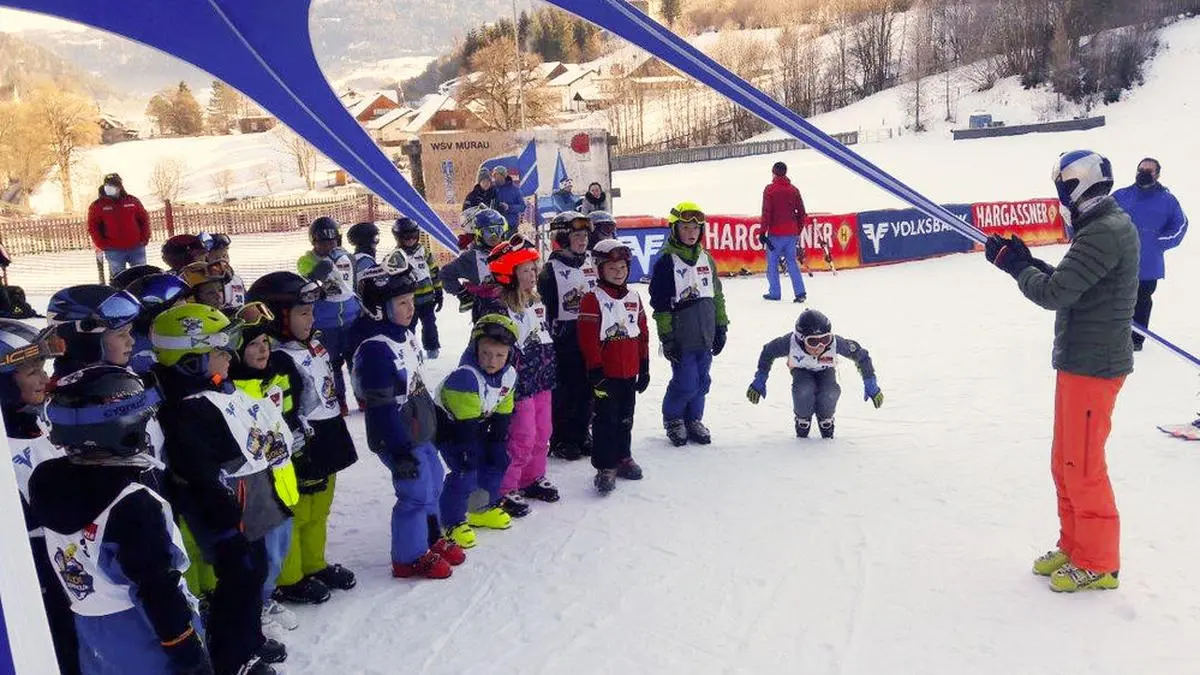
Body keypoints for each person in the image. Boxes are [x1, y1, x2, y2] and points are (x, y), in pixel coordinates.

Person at [984, 149, 1138, 593]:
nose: (1060, 197)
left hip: (1094, 364)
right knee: (1065, 461)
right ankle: (1075, 546)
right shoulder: (1101, 227)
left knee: (1084, 465)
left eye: (1062, 188)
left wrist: (1015, 268)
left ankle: (1099, 562)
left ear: (1077, 186)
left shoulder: (1104, 232)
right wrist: (1025, 260)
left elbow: (1054, 293)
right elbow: (1073, 282)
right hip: (1079, 361)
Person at [30, 365, 215, 675]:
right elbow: (156, 587)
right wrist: (185, 649)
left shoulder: (46, 481)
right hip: (144, 632)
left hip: (91, 626)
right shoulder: (132, 503)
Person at [151, 303, 291, 673]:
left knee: (254, 571)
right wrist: (225, 518)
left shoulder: (216, 392)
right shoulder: (186, 410)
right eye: (218, 351)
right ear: (190, 360)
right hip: (225, 515)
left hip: (246, 504)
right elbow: (198, 473)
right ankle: (232, 659)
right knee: (239, 580)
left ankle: (251, 638)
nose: (229, 355)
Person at [248, 271, 359, 604]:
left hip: (326, 432)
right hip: (301, 443)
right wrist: (296, 438)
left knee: (320, 509)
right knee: (298, 513)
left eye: (311, 312)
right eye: (302, 313)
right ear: (278, 316)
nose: (311, 319)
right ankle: (290, 576)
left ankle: (313, 564)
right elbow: (281, 407)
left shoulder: (312, 343)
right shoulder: (279, 358)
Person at [353, 257, 466, 580]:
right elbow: (380, 406)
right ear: (378, 308)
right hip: (397, 433)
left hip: (420, 427)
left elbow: (416, 383)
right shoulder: (376, 349)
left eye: (411, 301)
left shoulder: (405, 335)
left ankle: (430, 539)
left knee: (433, 480)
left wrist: (437, 419)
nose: (410, 308)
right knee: (415, 492)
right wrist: (399, 448)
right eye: (401, 303)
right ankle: (408, 556)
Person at [0, 321, 78, 675]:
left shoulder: (43, 421)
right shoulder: (7, 448)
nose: (43, 379)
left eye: (43, 369)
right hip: (35, 570)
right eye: (31, 372)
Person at [226, 302, 303, 634]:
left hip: (282, 480)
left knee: (280, 547)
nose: (262, 350)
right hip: (255, 488)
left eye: (265, 343)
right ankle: (255, 603)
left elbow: (283, 418)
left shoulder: (273, 380)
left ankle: (267, 596)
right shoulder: (232, 390)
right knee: (264, 552)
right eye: (254, 345)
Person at [482, 237, 559, 515]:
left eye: (533, 268)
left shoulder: (536, 301)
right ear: (509, 274)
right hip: (518, 383)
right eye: (525, 270)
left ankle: (532, 477)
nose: (532, 274)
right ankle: (506, 487)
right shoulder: (498, 307)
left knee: (543, 432)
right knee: (522, 435)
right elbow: (492, 349)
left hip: (542, 378)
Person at [435, 314, 519, 549]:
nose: (492, 361)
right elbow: (465, 427)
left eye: (500, 355)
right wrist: (467, 453)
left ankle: (480, 508)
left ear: (509, 354)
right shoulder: (466, 378)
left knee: (496, 461)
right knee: (466, 469)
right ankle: (451, 519)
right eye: (486, 353)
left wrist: (498, 442)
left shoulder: (509, 375)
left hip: (479, 422)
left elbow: (504, 409)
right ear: (475, 349)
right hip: (452, 429)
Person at [649, 202, 728, 447]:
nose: (691, 233)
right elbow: (660, 305)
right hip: (682, 337)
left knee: (703, 381)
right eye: (685, 227)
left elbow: (717, 295)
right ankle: (674, 418)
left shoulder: (706, 259)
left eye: (695, 228)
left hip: (705, 333)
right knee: (686, 382)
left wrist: (721, 326)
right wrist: (667, 337)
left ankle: (693, 419)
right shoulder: (666, 262)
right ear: (674, 229)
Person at [578, 239, 650, 494]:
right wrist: (595, 370)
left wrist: (645, 364)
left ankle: (623, 457)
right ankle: (605, 465)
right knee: (605, 420)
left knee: (625, 418)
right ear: (599, 269)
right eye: (611, 268)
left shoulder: (634, 297)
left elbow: (641, 333)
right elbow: (587, 338)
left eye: (622, 267)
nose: (618, 272)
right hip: (605, 374)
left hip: (628, 371)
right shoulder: (592, 298)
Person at [745, 309, 883, 439]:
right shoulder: (789, 343)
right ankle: (802, 418)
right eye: (813, 342)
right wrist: (760, 380)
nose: (820, 347)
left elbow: (861, 356)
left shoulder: (836, 344)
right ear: (800, 339)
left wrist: (871, 384)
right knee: (803, 389)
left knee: (831, 391)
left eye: (825, 339)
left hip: (825, 370)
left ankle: (826, 418)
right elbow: (768, 352)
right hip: (801, 370)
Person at [1111, 157, 1188, 351]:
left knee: (1141, 302)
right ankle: (1112, 337)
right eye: (1141, 169)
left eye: (1149, 170)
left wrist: (1157, 243)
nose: (1143, 173)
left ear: (1158, 174)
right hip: (1118, 262)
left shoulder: (1167, 200)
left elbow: (1180, 225)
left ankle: (1136, 340)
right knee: (1114, 300)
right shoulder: (1121, 195)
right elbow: (1100, 217)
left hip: (1148, 265)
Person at [539, 212, 598, 461]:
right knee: (566, 391)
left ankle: (582, 432)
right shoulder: (551, 270)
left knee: (587, 389)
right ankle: (562, 438)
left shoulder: (590, 264)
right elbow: (544, 308)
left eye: (585, 235)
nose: (583, 240)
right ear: (563, 238)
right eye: (576, 235)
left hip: (590, 335)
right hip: (563, 338)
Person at [297, 216, 362, 414]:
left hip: (351, 318)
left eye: (333, 242)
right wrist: (330, 261)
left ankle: (362, 397)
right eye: (323, 242)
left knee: (357, 361)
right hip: (325, 323)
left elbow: (353, 283)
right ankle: (339, 400)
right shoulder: (307, 260)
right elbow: (315, 274)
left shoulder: (347, 258)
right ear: (314, 242)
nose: (329, 246)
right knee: (332, 365)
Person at [45, 285, 141, 378]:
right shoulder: (70, 393)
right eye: (121, 334)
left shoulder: (121, 383)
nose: (131, 341)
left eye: (129, 332)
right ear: (85, 341)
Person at [439, 208, 507, 320]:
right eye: (488, 232)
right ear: (478, 233)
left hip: (512, 307)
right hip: (485, 312)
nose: (494, 236)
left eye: (498, 230)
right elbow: (446, 274)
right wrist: (462, 292)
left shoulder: (509, 251)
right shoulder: (472, 258)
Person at [391, 217, 443, 359]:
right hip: (409, 301)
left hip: (427, 298)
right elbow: (393, 279)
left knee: (430, 325)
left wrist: (438, 291)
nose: (410, 240)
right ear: (398, 238)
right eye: (406, 237)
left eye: (413, 236)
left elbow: (434, 271)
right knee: (409, 327)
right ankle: (410, 351)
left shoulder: (424, 252)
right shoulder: (396, 256)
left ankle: (432, 348)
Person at [122, 273, 193, 376]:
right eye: (179, 301)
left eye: (183, 299)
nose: (186, 305)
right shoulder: (137, 354)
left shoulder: (176, 337)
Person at [87, 173, 150, 282]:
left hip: (136, 247)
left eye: (114, 185)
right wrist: (102, 244)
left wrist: (144, 239)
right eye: (108, 185)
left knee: (141, 278)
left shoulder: (132, 201)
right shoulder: (98, 205)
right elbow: (93, 227)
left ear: (120, 186)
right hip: (114, 250)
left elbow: (144, 220)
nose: (110, 188)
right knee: (119, 280)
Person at [760, 161, 808, 303]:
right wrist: (797, 229)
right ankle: (800, 292)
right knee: (792, 262)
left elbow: (766, 213)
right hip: (791, 233)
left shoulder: (770, 190)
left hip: (775, 234)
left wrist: (762, 232)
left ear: (774, 173)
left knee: (772, 264)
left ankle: (775, 292)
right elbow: (802, 212)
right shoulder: (794, 190)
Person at [201, 232, 246, 309]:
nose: (225, 257)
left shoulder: (236, 279)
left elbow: (246, 303)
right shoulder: (199, 280)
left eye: (225, 251)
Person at [491, 166, 525, 236]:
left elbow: (522, 206)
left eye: (497, 175)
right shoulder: (492, 189)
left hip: (511, 226)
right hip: (494, 227)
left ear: (503, 176)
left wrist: (508, 207)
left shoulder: (515, 190)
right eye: (494, 176)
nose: (495, 178)